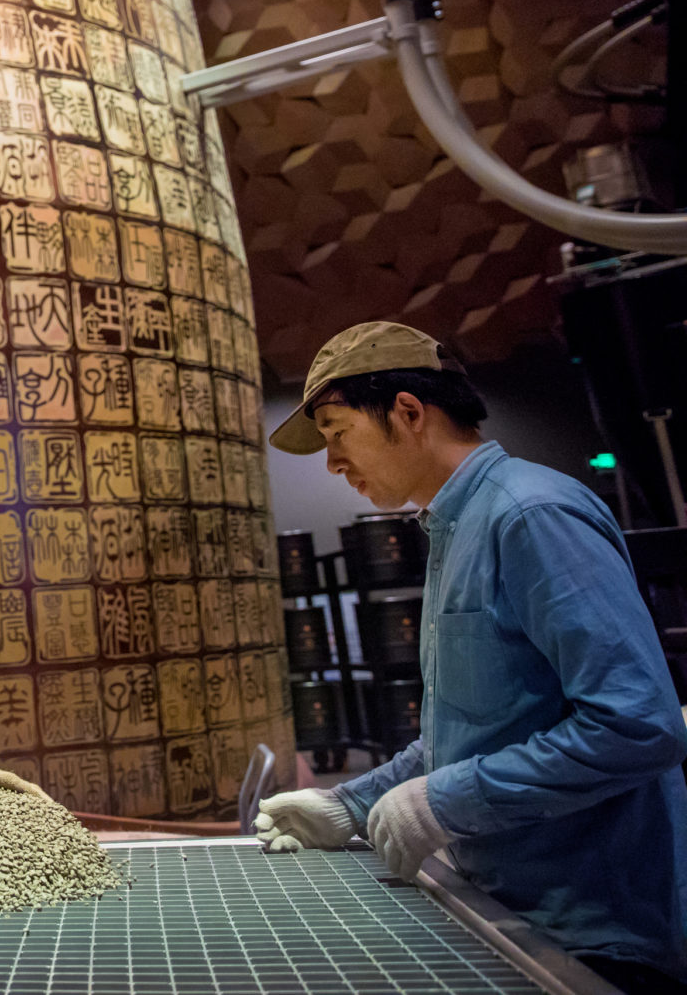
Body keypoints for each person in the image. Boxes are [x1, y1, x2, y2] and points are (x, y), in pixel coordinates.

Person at [255, 321, 687, 992]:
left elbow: (638, 724)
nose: (333, 464)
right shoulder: (456, 523)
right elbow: (474, 728)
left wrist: (448, 800)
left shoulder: (529, 513)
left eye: (338, 433)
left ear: (407, 412)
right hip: (513, 911)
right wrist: (353, 801)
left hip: (597, 935)